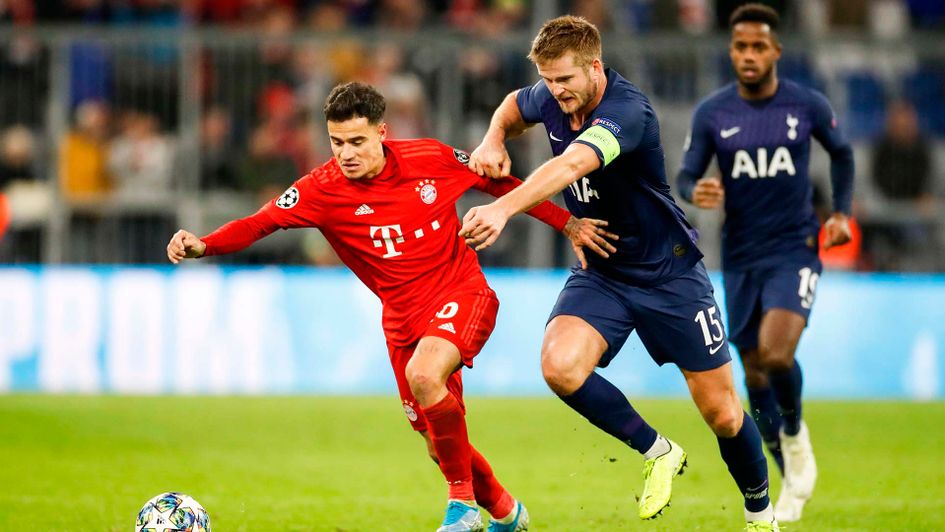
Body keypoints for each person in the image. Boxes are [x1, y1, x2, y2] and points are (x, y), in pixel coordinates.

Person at [167, 81, 611, 532]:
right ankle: (507, 512)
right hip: (401, 321)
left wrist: (568, 223)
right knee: (438, 445)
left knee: (425, 374)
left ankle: (462, 506)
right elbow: (259, 223)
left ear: (382, 132)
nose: (346, 153)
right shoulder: (320, 189)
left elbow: (502, 185)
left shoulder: (430, 158)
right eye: (337, 142)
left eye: (357, 141)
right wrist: (204, 244)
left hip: (462, 293)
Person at [461, 15, 777, 531]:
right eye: (547, 79)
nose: (555, 90)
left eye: (565, 79)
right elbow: (513, 106)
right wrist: (494, 137)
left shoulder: (627, 112)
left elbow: (571, 166)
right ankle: (659, 451)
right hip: (603, 271)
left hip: (670, 274)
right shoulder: (551, 94)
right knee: (560, 367)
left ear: (595, 67)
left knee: (722, 413)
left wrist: (502, 209)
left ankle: (760, 514)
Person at [675, 3, 854, 522]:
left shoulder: (806, 104)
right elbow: (685, 175)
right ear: (731, 51)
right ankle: (788, 473)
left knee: (776, 355)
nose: (748, 55)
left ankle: (795, 437)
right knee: (753, 370)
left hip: (794, 248)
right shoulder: (713, 113)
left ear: (776, 51)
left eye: (758, 46)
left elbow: (842, 153)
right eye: (740, 47)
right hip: (741, 256)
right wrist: (696, 190)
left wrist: (841, 212)